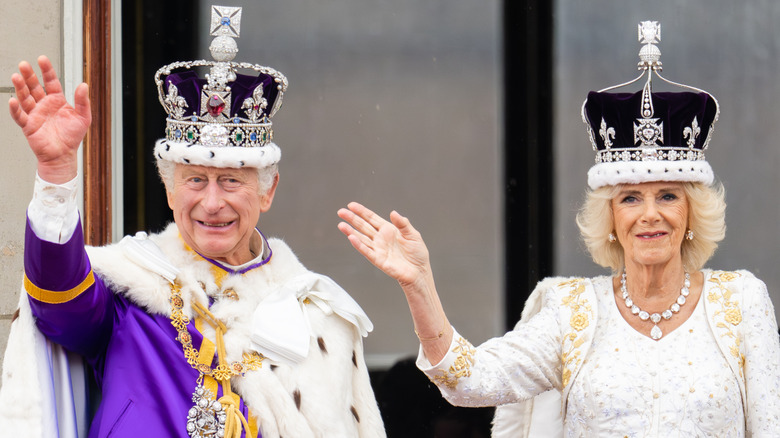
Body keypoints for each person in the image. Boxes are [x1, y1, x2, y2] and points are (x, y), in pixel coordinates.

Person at [337, 21, 780, 437]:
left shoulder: (741, 302)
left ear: (691, 214)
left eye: (668, 195)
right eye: (630, 198)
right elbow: (467, 380)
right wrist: (419, 284)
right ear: (610, 219)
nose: (650, 213)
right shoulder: (572, 313)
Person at [0, 5, 384, 438]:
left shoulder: (317, 316)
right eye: (196, 180)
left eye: (231, 181)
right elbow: (58, 301)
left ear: (267, 191)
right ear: (169, 190)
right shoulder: (130, 291)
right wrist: (56, 175)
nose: (212, 202)